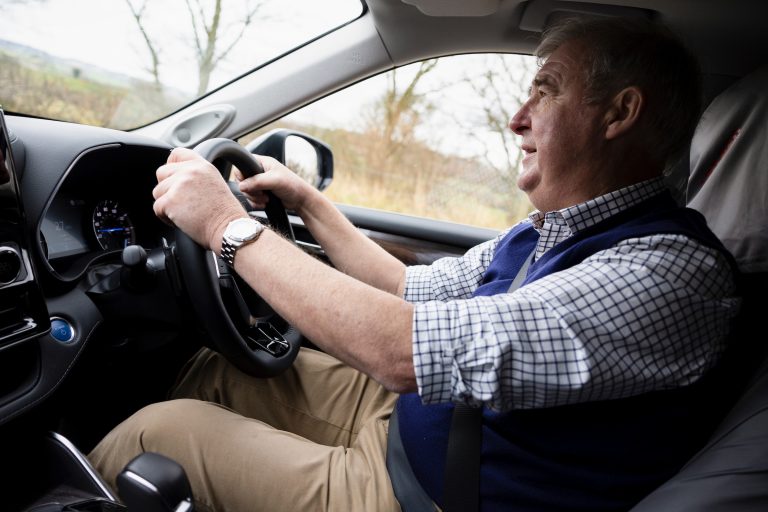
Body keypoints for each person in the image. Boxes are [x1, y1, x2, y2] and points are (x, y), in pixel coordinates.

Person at [88, 16, 741, 512]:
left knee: (158, 435)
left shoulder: (669, 274)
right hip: (418, 421)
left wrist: (224, 225)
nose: (517, 117)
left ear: (621, 113)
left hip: (423, 492)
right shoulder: (546, 234)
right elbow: (408, 287)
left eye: (546, 89)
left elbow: (403, 349)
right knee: (213, 368)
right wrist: (308, 200)